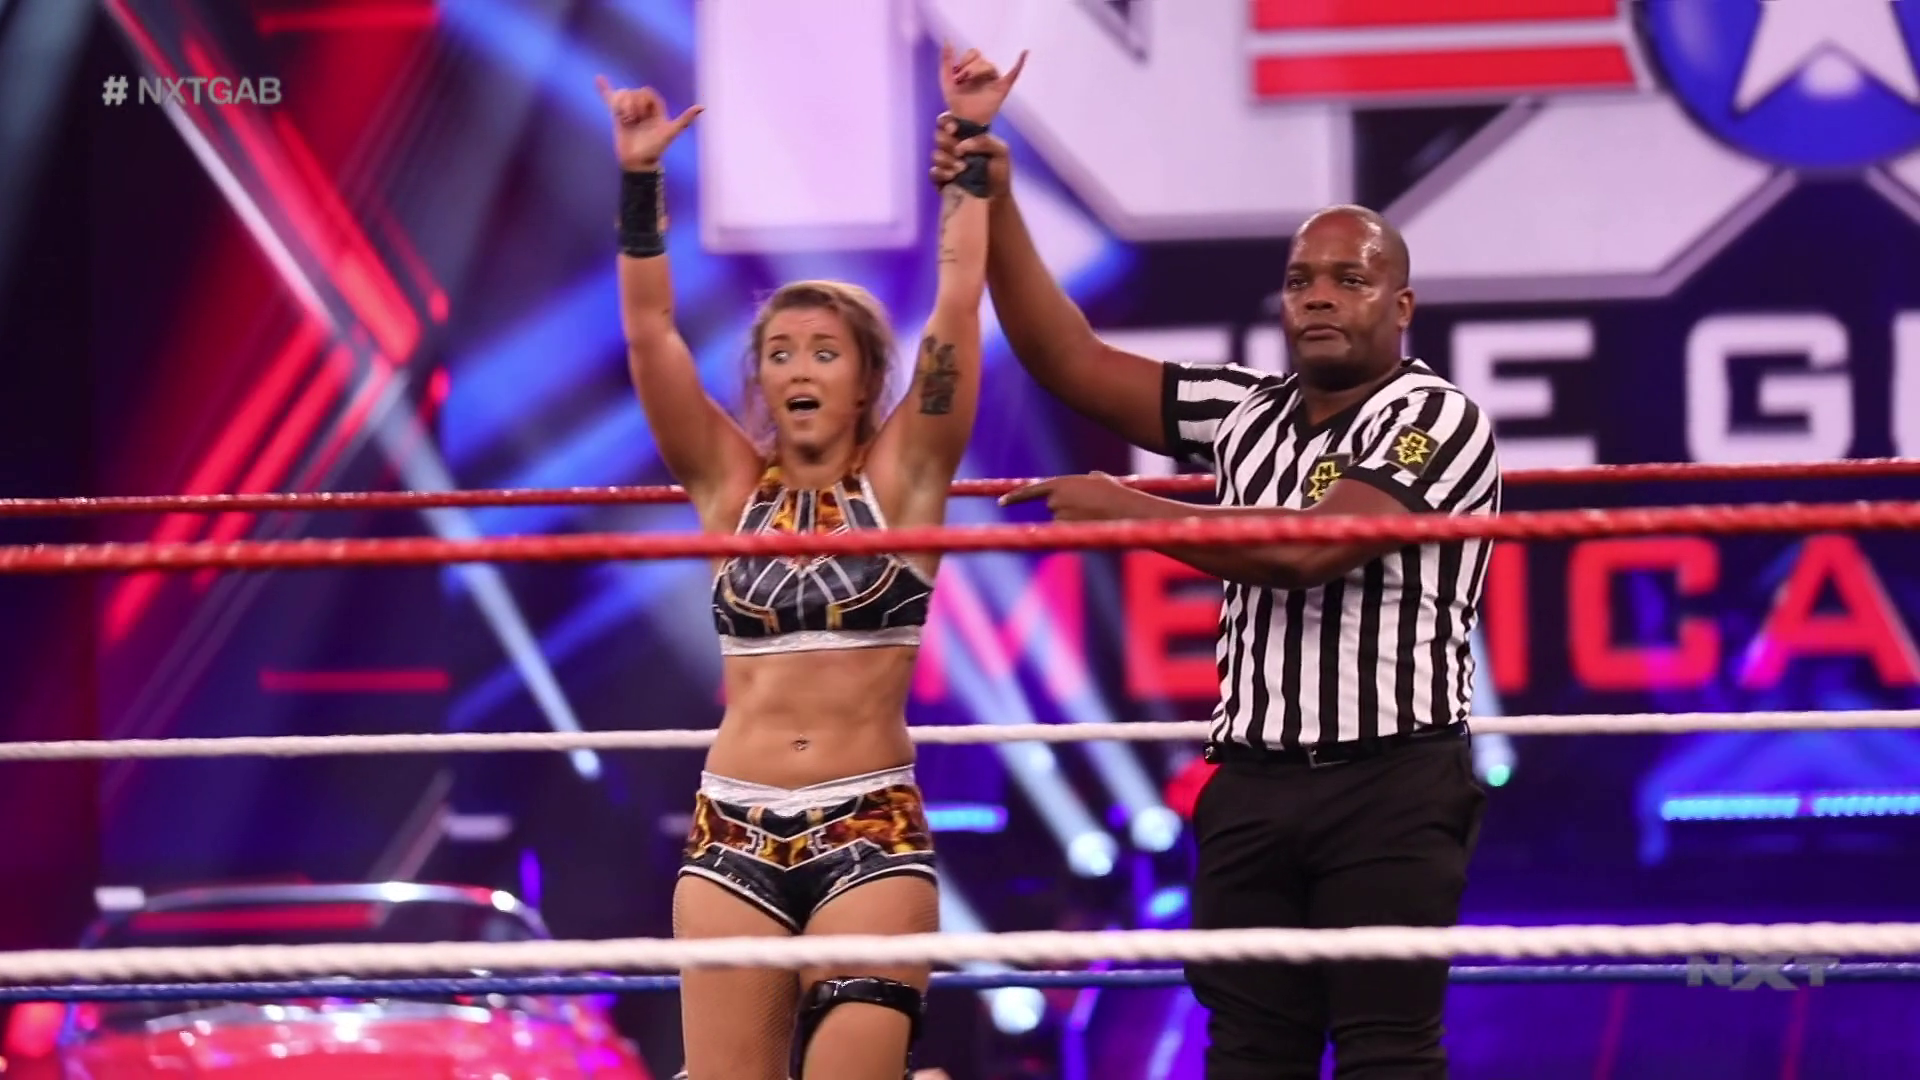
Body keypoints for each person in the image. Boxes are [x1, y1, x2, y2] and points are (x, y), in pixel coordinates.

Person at [931, 95, 1499, 1079]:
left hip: (1392, 783)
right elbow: (1066, 357)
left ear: (1400, 307)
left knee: (1387, 1052)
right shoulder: (1244, 411)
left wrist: (1130, 511)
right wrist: (999, 196)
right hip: (1251, 784)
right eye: (1301, 280)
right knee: (1247, 1052)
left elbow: (1312, 550)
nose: (1318, 297)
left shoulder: (1435, 418)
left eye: (1350, 279)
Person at [597, 45, 1023, 1080]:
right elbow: (651, 337)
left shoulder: (906, 480)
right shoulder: (728, 487)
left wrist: (970, 142)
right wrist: (641, 179)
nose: (798, 368)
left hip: (869, 827)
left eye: (824, 352)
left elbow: (956, 308)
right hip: (730, 831)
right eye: (780, 353)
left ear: (866, 379)